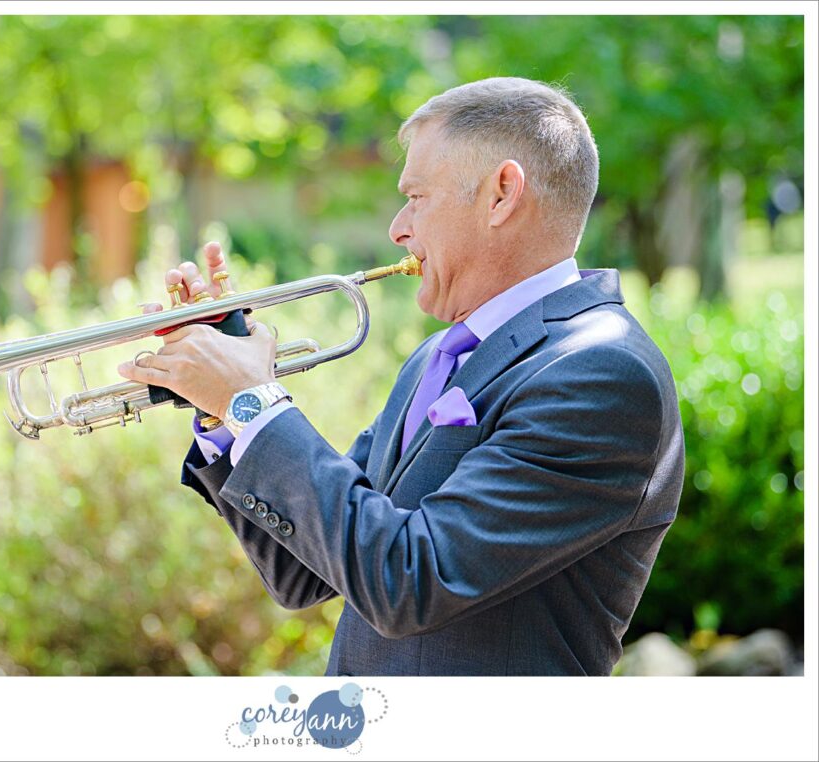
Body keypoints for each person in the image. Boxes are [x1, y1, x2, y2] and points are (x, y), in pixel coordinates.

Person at [118, 77, 684, 676]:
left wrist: (252, 401)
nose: (397, 227)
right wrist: (224, 411)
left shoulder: (599, 371)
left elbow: (410, 581)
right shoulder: (437, 358)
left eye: (416, 197)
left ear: (501, 195)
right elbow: (303, 572)